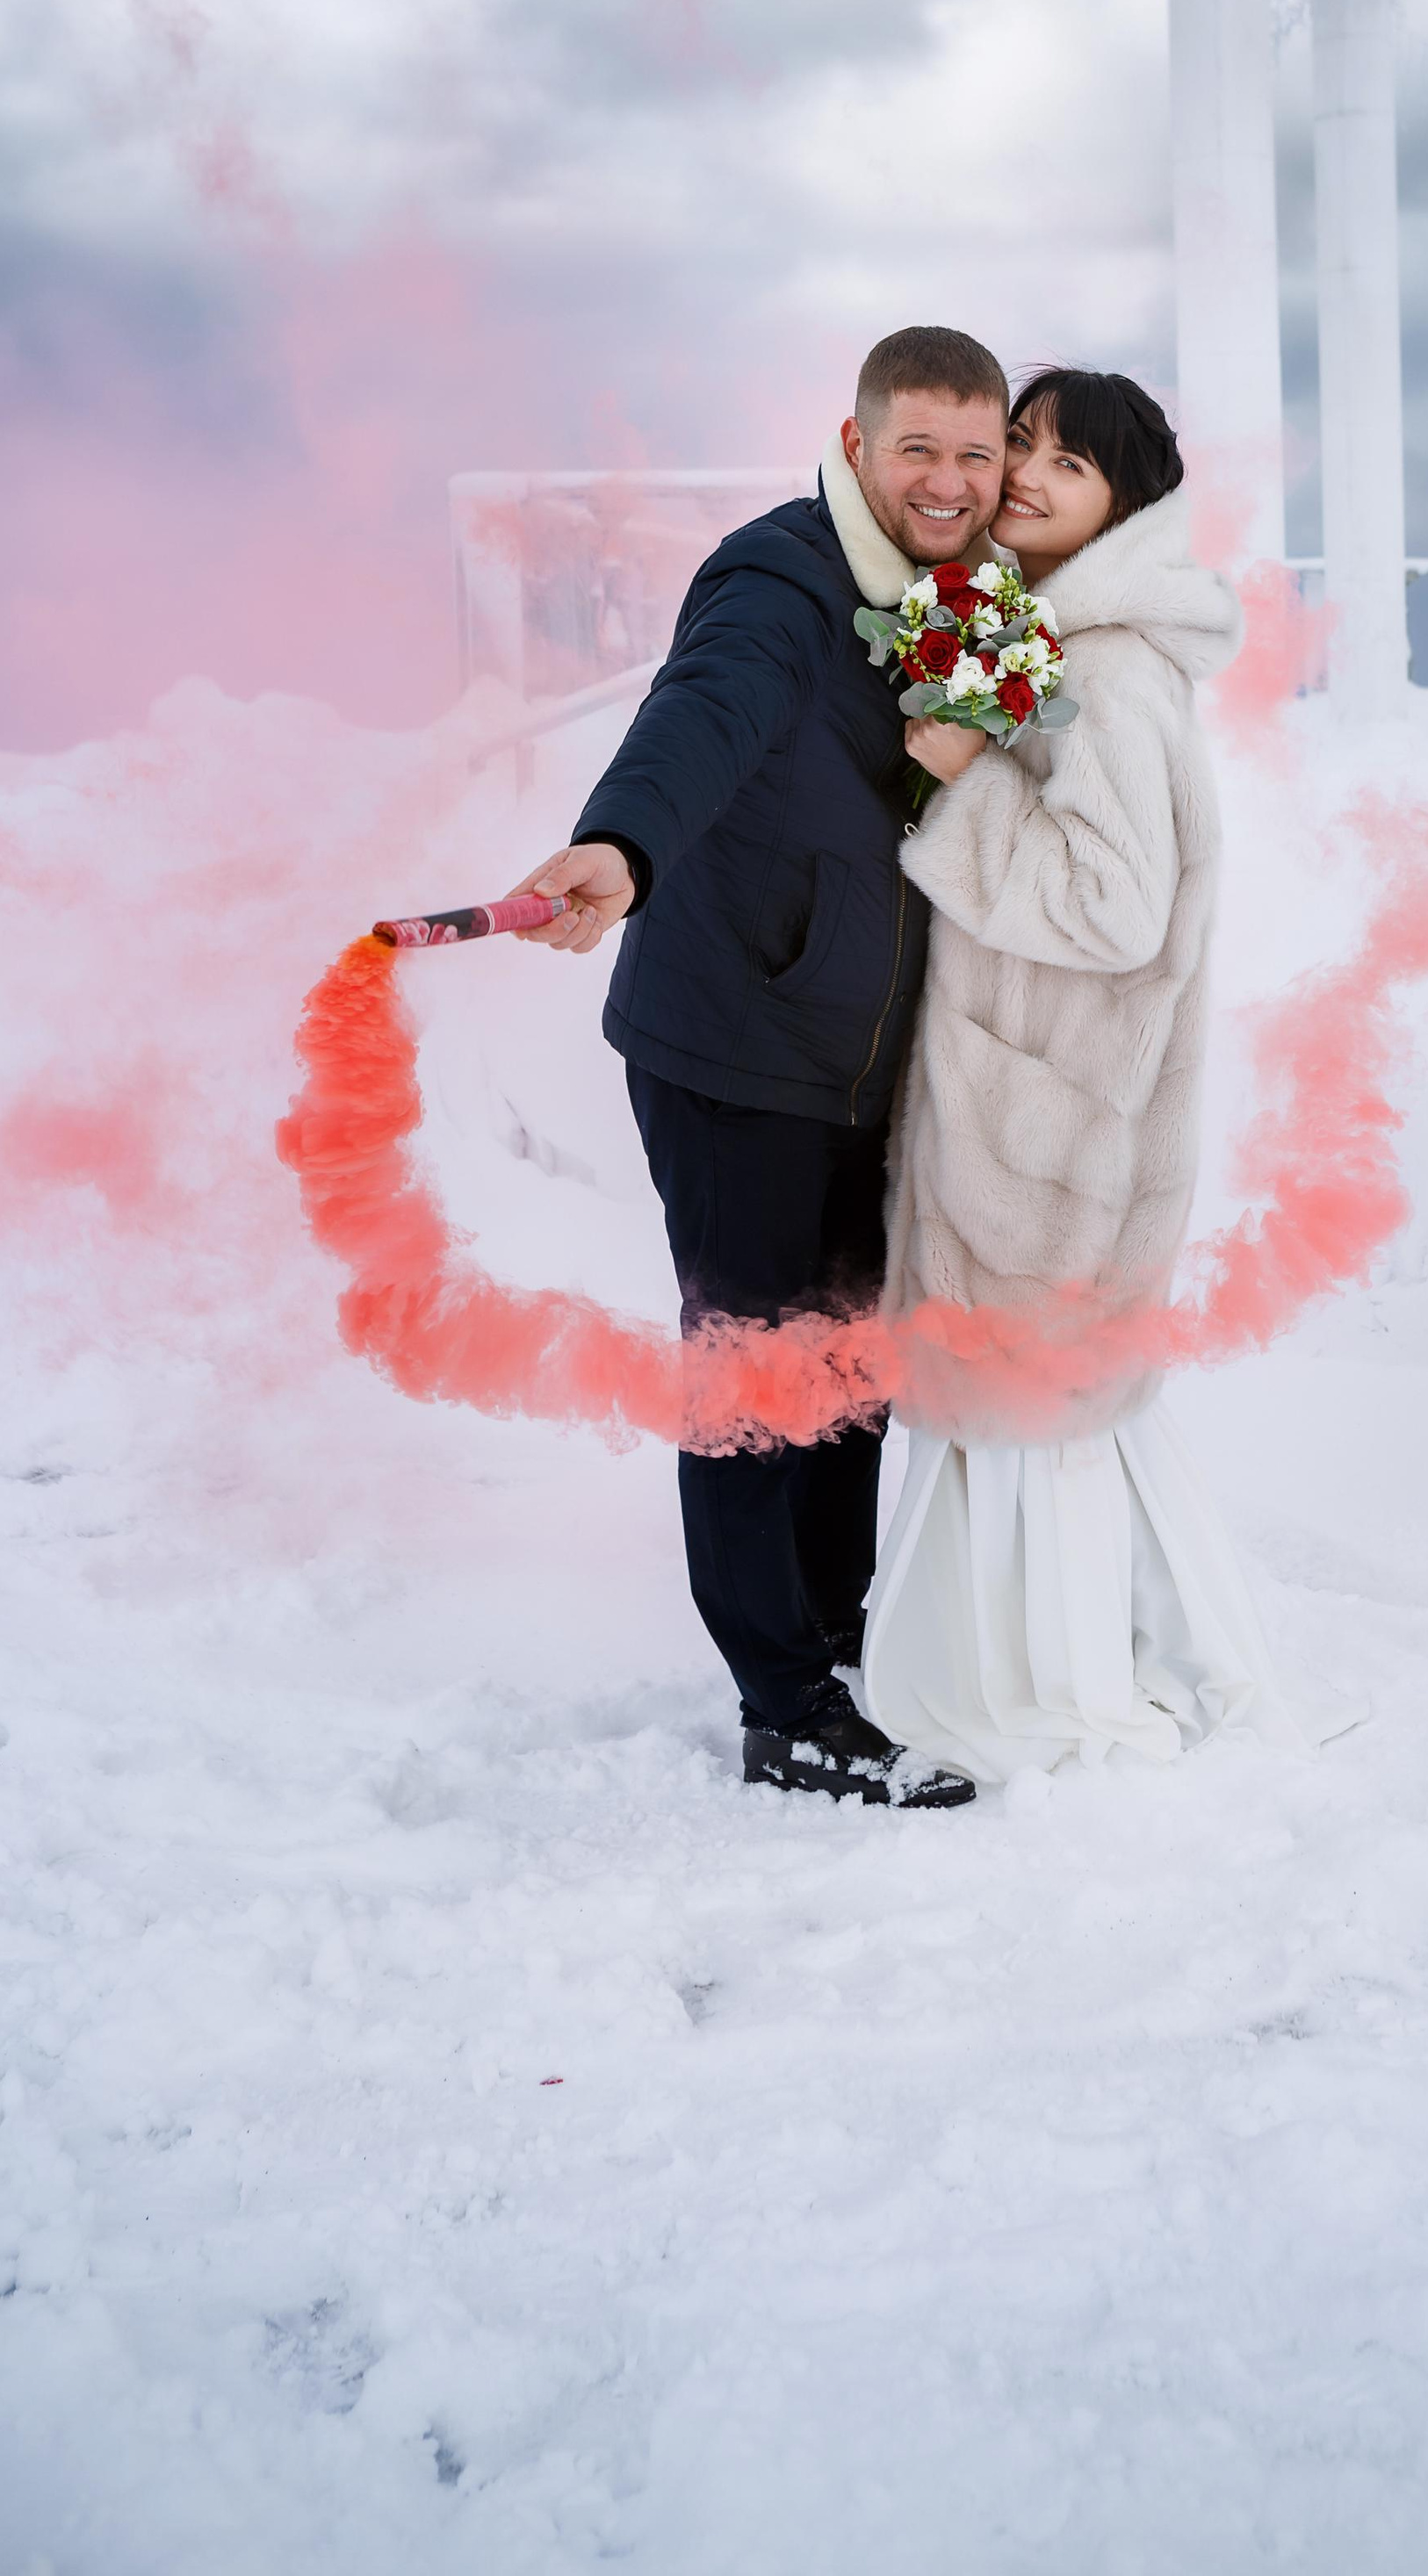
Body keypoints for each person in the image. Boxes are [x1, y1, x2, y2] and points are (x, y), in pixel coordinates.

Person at [505, 325, 1012, 1810]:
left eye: (976, 454)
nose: (948, 481)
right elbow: (704, 714)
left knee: (850, 1366)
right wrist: (625, 843)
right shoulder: (780, 581)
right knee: (752, 1373)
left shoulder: (965, 600)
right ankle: (781, 1702)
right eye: (917, 448)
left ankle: (839, 1640)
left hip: (861, 1059)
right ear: (856, 445)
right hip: (738, 1046)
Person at [861, 367, 1343, 1783]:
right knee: (1041, 1416)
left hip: (1053, 1115)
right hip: (1041, 1106)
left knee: (1030, 1421)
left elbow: (1114, 907)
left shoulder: (1109, 672)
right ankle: (1052, 1653)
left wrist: (951, 801)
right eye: (1022, 443)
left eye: (1066, 465)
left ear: (1124, 507)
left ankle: (1042, 1678)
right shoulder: (1048, 636)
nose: (1023, 474)